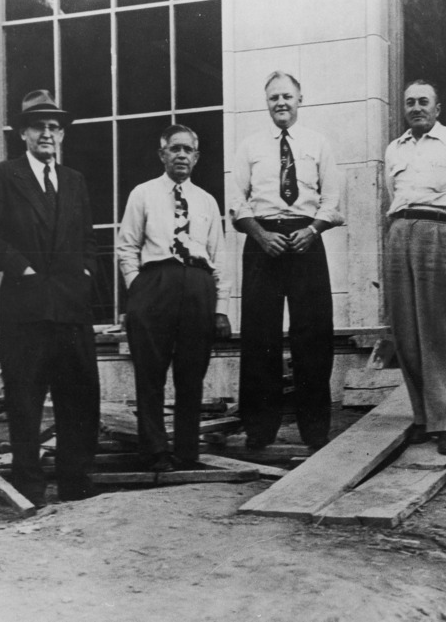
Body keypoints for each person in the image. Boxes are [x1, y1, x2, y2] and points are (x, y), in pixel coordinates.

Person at [0, 90, 100, 508]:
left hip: (70, 308)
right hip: (26, 309)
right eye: (39, 126)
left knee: (78, 397)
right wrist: (23, 268)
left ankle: (75, 481)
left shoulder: (76, 180)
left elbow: (88, 240)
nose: (47, 133)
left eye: (54, 127)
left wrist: (85, 274)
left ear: (61, 135)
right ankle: (29, 484)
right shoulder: (0, 177)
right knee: (25, 400)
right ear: (22, 133)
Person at [230, 71, 343, 452]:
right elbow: (237, 200)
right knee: (260, 336)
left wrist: (311, 231)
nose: (281, 103)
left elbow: (331, 200)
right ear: (267, 102)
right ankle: (260, 429)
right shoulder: (249, 146)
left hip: (306, 240)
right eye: (274, 97)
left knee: (312, 334)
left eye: (287, 96)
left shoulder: (318, 143)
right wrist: (260, 236)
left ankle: (314, 428)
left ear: (300, 99)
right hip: (262, 241)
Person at [118, 125, 231, 471]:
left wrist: (221, 308)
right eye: (174, 149)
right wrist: (138, 291)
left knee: (191, 372)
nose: (181, 155)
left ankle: (186, 453)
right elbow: (127, 247)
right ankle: (154, 452)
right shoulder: (143, 194)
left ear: (196, 158)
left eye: (188, 150)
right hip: (156, 282)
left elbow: (220, 256)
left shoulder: (206, 201)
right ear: (162, 154)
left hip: (197, 286)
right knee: (151, 373)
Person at [384, 79, 446, 455]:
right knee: (405, 329)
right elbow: (393, 197)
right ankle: (422, 418)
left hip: (441, 231)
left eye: (424, 102)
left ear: (438, 108)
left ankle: (445, 421)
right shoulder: (394, 148)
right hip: (399, 232)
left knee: (437, 329)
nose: (416, 108)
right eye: (409, 103)